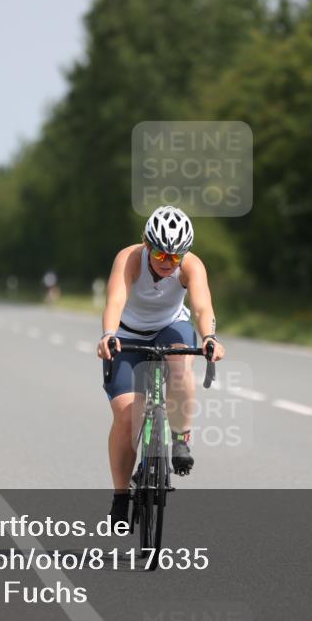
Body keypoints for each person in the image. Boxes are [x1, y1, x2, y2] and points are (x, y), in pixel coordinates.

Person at [97, 206, 225, 523]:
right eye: (161, 254)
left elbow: (201, 304)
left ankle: (180, 439)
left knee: (181, 365)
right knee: (127, 416)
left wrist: (209, 337)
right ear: (146, 243)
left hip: (171, 326)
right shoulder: (129, 259)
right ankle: (120, 496)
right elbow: (114, 300)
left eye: (175, 257)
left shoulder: (190, 266)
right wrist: (109, 334)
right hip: (127, 334)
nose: (168, 263)